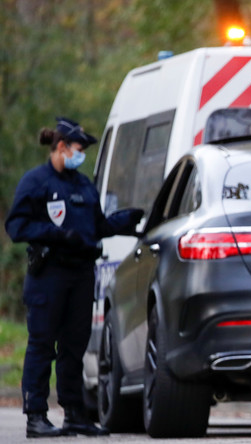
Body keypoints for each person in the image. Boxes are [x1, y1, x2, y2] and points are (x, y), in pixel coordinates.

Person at [5, 117, 144, 438]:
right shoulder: (35, 182)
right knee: (42, 345)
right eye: (78, 149)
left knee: (74, 348)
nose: (80, 155)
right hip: (48, 276)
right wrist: (58, 235)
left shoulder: (83, 185)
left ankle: (75, 415)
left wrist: (124, 221)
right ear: (61, 147)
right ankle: (36, 416)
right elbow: (17, 227)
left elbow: (98, 227)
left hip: (81, 276)